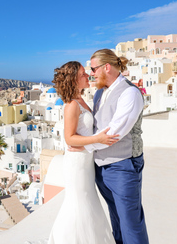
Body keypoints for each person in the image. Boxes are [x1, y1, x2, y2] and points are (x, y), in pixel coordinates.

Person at [48, 61, 118, 244]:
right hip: (77, 164)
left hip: (85, 161)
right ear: (73, 80)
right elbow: (69, 139)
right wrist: (98, 140)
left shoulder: (81, 100)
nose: (88, 76)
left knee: (87, 201)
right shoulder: (72, 104)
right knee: (79, 203)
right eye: (83, 74)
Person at [85, 48, 149, 244]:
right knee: (117, 220)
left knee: (131, 223)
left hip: (123, 166)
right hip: (101, 167)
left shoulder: (130, 93)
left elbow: (114, 133)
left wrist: (82, 146)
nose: (91, 73)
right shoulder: (99, 94)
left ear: (107, 67)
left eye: (94, 69)